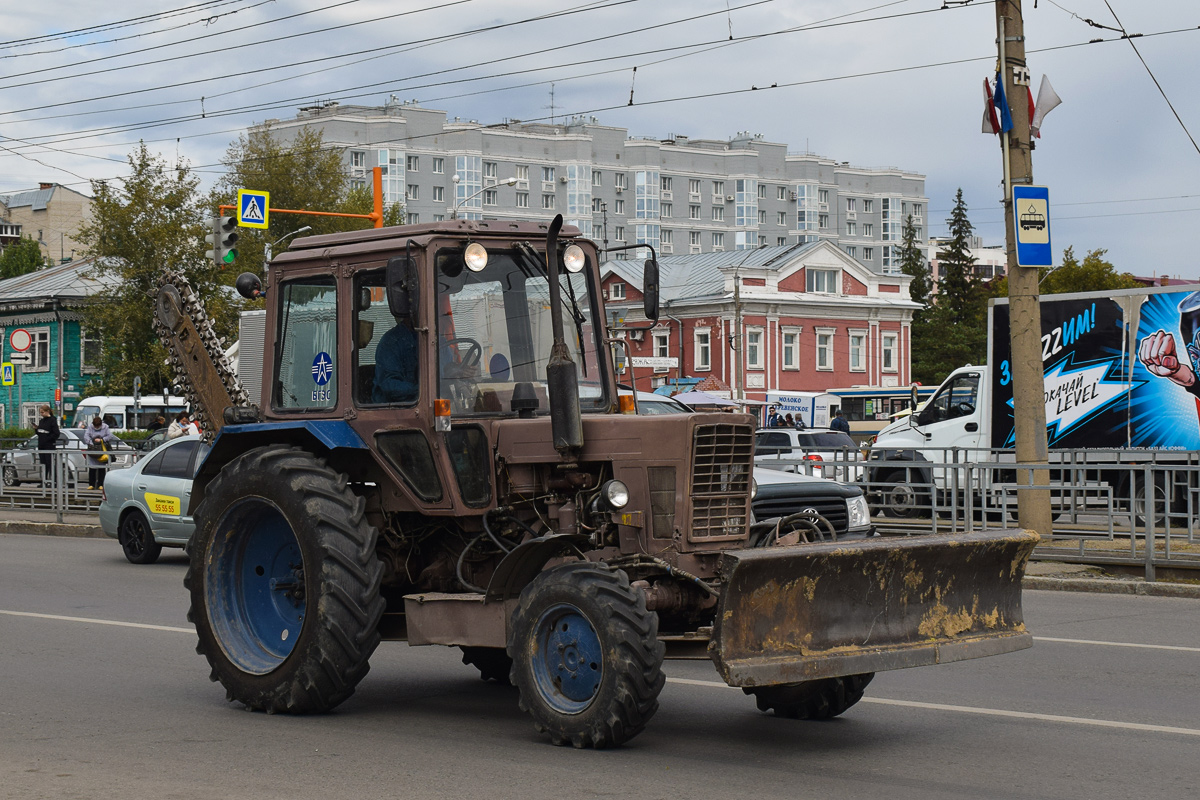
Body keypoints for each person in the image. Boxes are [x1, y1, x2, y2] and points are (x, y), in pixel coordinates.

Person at [372, 318, 419, 403]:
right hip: (394, 410)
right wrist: (421, 389)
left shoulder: (438, 341)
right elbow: (389, 385)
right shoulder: (391, 341)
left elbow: (446, 374)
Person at [83, 415, 117, 490]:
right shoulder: (90, 427)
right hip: (93, 449)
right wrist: (91, 443)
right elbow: (86, 436)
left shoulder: (105, 427)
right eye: (95, 426)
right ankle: (91, 484)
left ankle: (101, 484)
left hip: (102, 449)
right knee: (92, 467)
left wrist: (102, 440)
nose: (96, 428)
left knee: (102, 468)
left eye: (98, 426)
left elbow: (110, 436)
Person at [35, 404, 59, 486]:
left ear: (47, 411)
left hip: (49, 445)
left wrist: (47, 438)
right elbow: (39, 432)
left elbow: (56, 433)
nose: (41, 414)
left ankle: (54, 482)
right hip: (41, 445)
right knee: (43, 464)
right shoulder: (42, 421)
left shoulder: (52, 420)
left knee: (50, 463)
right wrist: (36, 430)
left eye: (42, 412)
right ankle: (44, 481)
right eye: (40, 413)